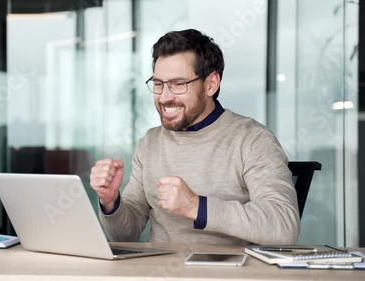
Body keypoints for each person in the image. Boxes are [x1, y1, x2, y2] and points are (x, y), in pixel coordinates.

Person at [89, 29, 300, 245]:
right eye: (159, 84)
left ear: (211, 84)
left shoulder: (253, 140)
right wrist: (110, 201)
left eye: (179, 84)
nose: (164, 97)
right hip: (158, 275)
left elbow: (283, 226)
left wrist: (196, 206)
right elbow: (125, 236)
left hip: (229, 276)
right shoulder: (151, 142)